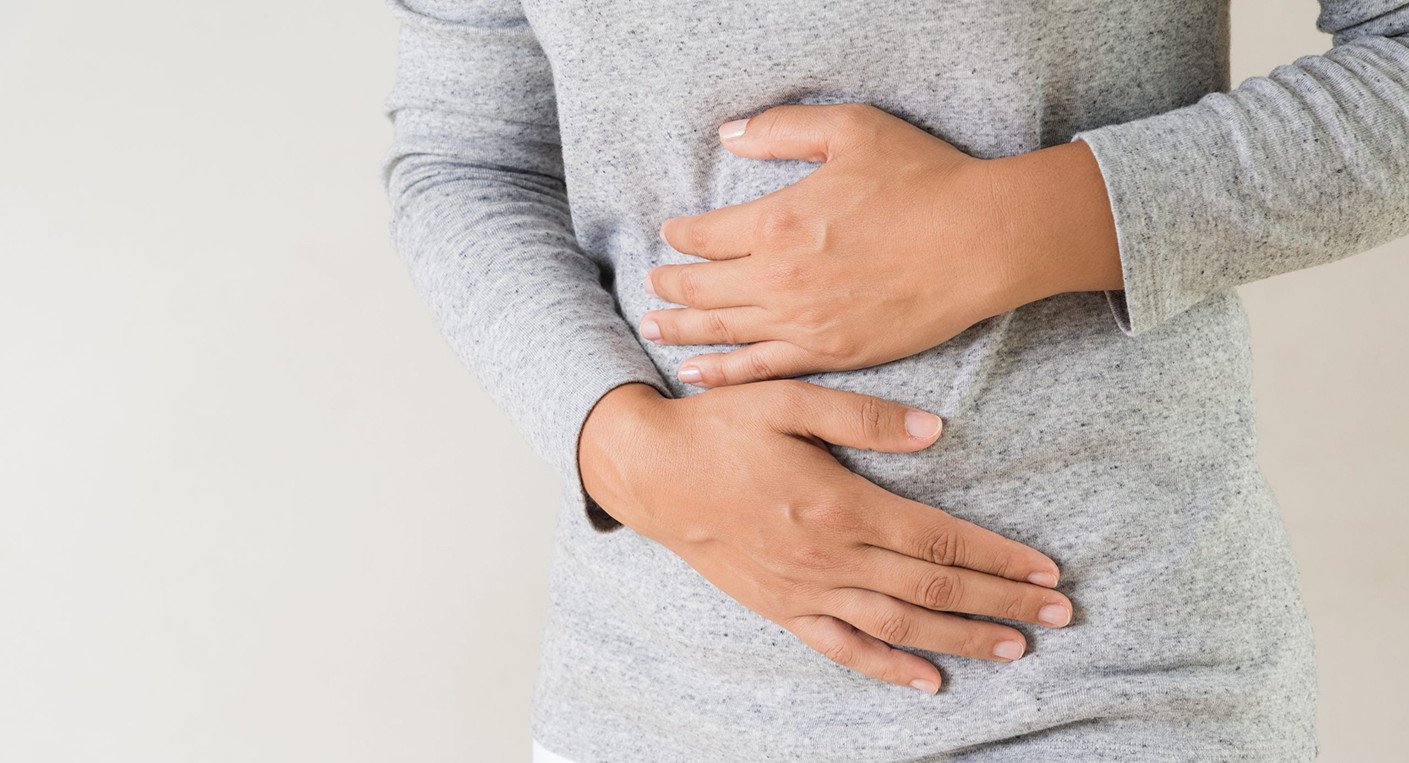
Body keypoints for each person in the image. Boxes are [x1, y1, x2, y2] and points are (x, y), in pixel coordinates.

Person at [380, 0, 1409, 759]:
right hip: (652, 698)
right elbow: (465, 156)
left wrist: (1007, 229)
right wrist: (623, 448)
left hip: (1102, 674)